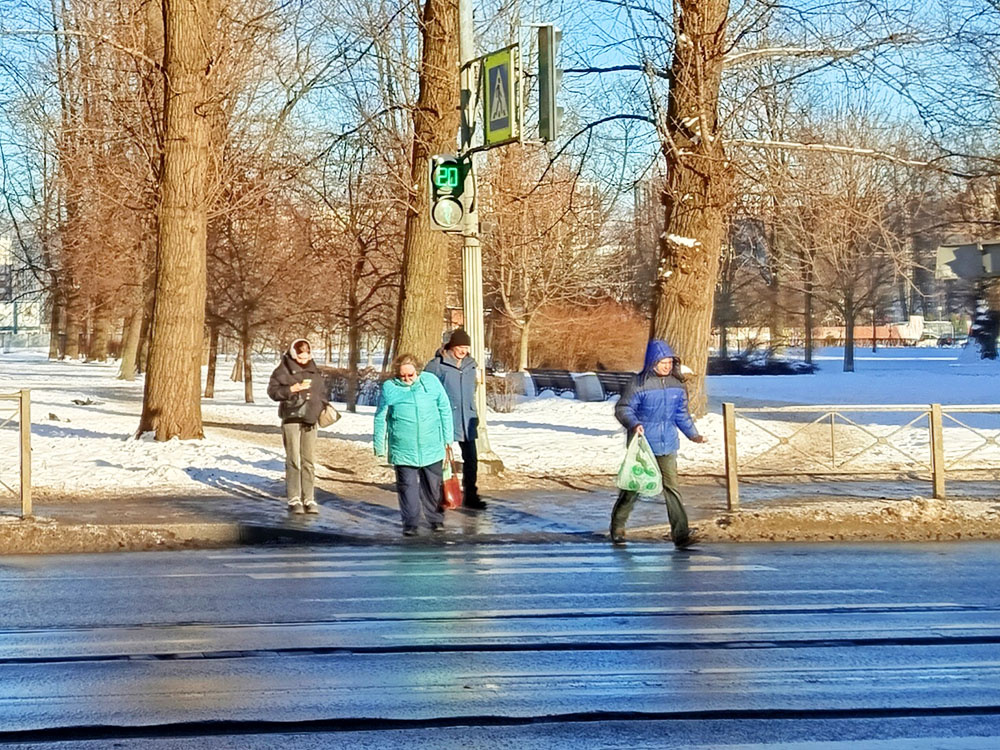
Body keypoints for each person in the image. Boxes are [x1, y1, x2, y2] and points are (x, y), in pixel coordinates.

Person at [611, 339, 706, 548]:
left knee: (672, 488)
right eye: (663, 362)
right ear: (653, 362)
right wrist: (634, 424)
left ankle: (681, 534)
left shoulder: (677, 385)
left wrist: (693, 435)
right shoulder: (638, 383)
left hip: (668, 444)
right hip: (643, 445)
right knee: (633, 488)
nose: (667, 366)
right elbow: (623, 408)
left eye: (670, 362)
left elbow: (681, 414)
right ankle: (617, 527)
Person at [373, 353, 455, 536]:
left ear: (417, 371)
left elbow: (444, 409)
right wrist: (379, 445)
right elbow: (380, 417)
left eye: (410, 375)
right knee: (407, 487)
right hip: (403, 448)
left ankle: (436, 519)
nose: (407, 379)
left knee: (433, 486)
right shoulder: (390, 388)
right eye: (403, 376)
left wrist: (448, 439)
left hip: (432, 445)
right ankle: (410, 523)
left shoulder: (431, 382)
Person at [424, 328, 487, 510]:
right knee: (440, 459)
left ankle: (471, 495)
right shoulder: (437, 365)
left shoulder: (471, 365)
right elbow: (427, 390)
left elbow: (472, 389)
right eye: (460, 347)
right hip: (444, 418)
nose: (463, 351)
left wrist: (473, 411)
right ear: (452, 346)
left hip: (467, 418)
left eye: (466, 347)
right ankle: (438, 495)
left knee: (471, 459)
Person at [267, 338, 325, 514]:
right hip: (291, 417)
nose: (304, 360)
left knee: (308, 460)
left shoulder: (315, 370)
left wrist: (322, 406)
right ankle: (294, 498)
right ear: (293, 354)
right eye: (300, 357)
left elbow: (322, 391)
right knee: (294, 459)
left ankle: (309, 498)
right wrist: (291, 390)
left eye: (307, 356)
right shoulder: (282, 370)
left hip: (310, 419)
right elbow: (272, 392)